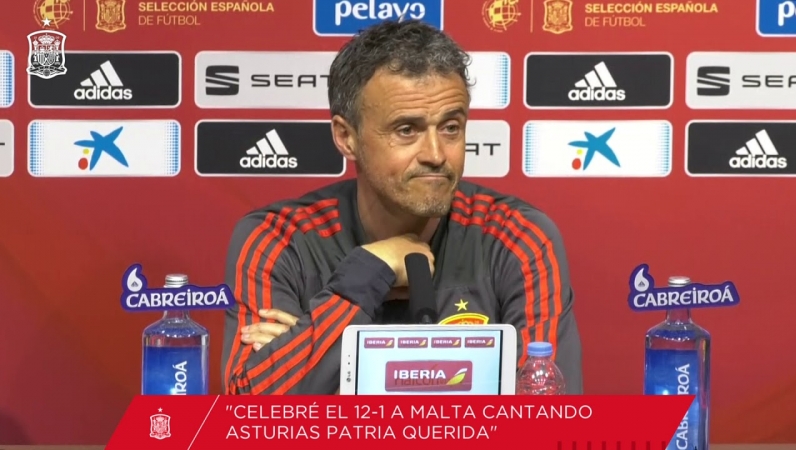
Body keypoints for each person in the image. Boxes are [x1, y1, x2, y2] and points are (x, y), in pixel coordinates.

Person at [221, 19, 583, 395]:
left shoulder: (518, 237)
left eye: (451, 127)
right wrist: (368, 273)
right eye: (406, 130)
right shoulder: (279, 239)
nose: (436, 155)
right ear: (346, 137)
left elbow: (547, 413)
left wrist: (313, 358)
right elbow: (249, 407)